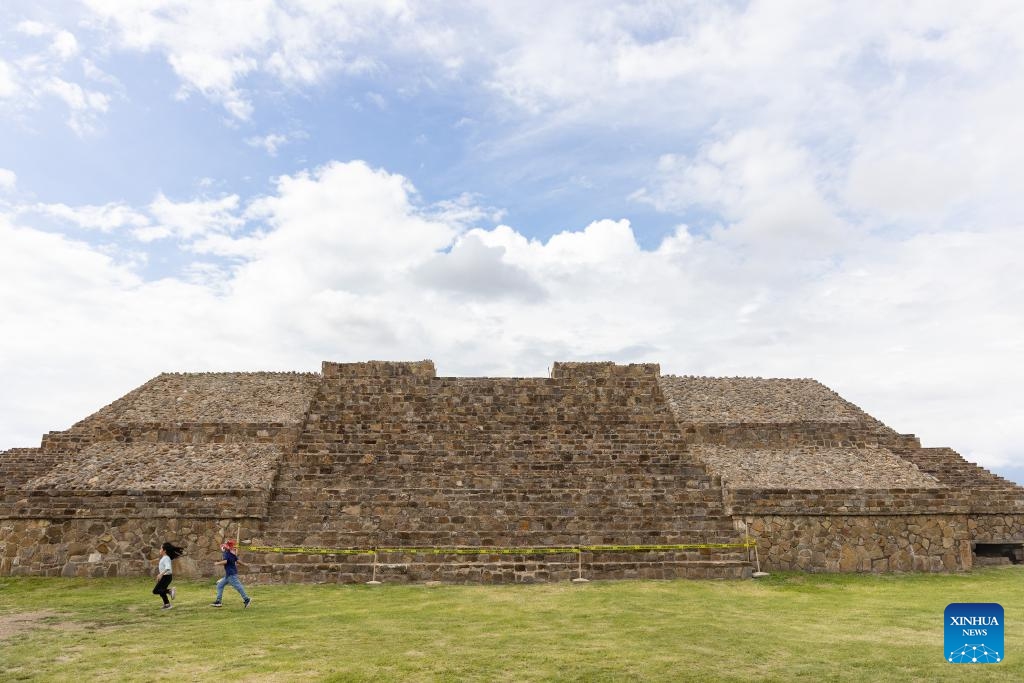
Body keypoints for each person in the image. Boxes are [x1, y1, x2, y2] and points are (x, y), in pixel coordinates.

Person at [211, 538, 251, 608]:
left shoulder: (226, 553)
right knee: (219, 585)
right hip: (229, 575)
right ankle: (218, 602)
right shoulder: (232, 554)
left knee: (239, 587)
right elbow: (238, 561)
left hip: (231, 575)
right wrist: (245, 564)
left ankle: (247, 599)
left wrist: (217, 563)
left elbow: (225, 561)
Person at [153, 541, 184, 610]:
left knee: (155, 591)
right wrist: (160, 575)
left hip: (166, 577)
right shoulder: (165, 558)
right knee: (161, 591)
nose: (160, 550)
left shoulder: (166, 558)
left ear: (164, 551)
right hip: (165, 577)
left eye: (161, 549)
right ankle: (167, 604)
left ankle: (170, 591)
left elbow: (168, 568)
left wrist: (161, 574)